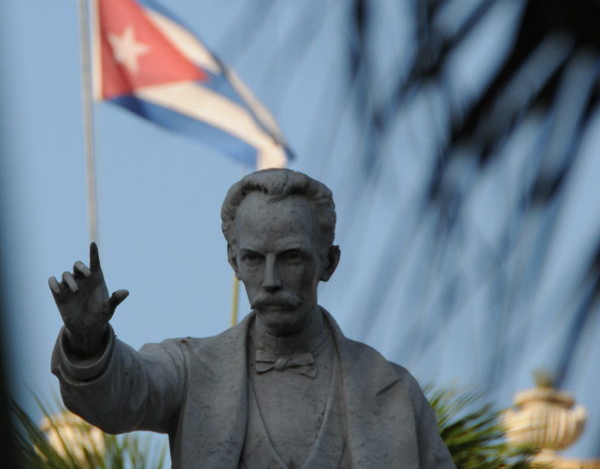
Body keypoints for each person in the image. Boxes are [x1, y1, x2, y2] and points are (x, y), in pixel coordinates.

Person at [50, 168, 456, 468]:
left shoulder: (395, 394)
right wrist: (88, 342)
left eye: (292, 257)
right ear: (233, 262)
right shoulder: (192, 371)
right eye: (253, 258)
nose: (271, 279)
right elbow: (123, 396)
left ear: (328, 262)